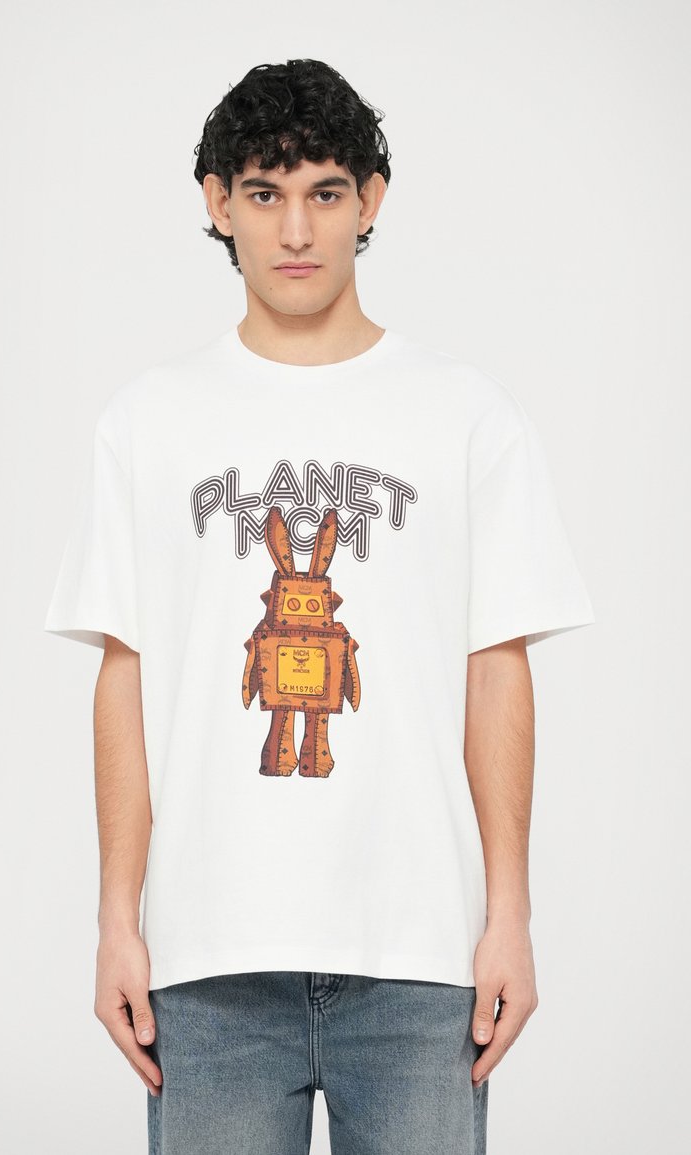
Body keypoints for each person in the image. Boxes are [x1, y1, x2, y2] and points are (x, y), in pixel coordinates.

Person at [44, 58, 595, 1154]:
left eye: (325, 192)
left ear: (370, 200)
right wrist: (116, 920)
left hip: (420, 961)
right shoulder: (148, 422)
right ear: (218, 203)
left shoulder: (466, 416)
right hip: (208, 964)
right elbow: (127, 674)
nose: (295, 229)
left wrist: (510, 916)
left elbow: (497, 671)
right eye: (264, 193)